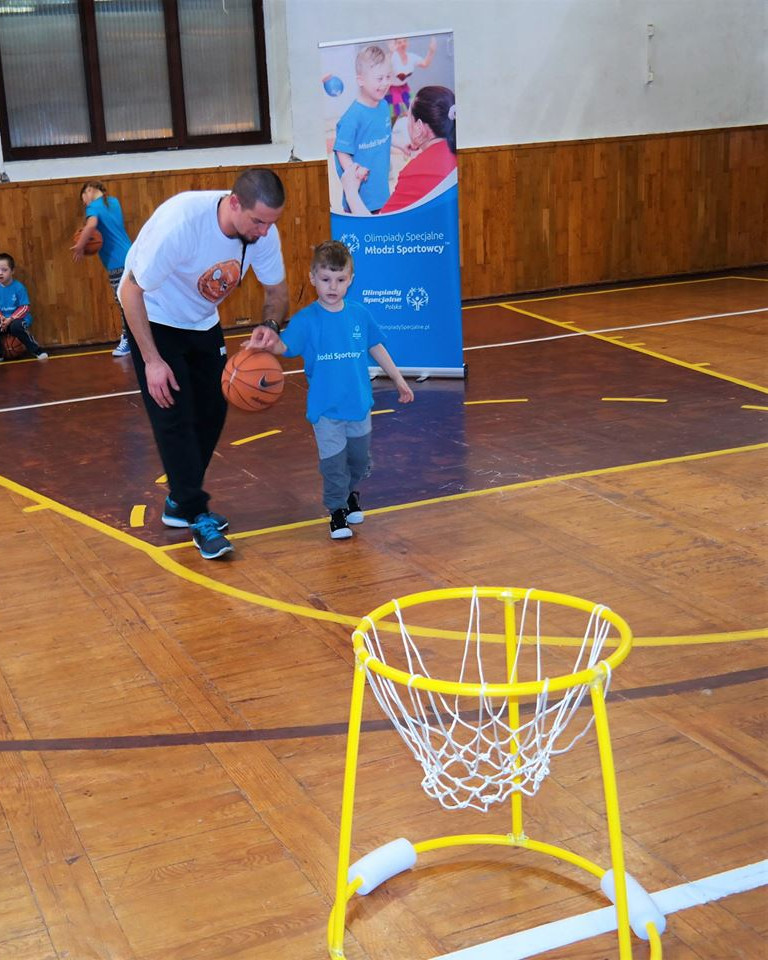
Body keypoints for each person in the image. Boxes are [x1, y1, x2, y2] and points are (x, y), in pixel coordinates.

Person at [117, 168, 288, 560]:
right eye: (258, 221)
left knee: (212, 411)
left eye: (270, 223)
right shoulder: (181, 224)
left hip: (201, 321)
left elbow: (277, 290)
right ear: (233, 204)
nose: (264, 231)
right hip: (153, 316)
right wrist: (152, 361)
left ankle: (180, 500)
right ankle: (197, 513)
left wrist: (269, 324)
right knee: (173, 414)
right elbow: (130, 291)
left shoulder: (262, 231)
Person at [261, 240, 413, 540]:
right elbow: (285, 346)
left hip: (358, 404)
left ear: (351, 280)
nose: (333, 286)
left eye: (340, 280)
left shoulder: (359, 314)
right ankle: (337, 512)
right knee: (333, 464)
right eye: (326, 279)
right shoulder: (307, 319)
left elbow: (376, 346)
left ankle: (350, 494)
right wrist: (269, 341)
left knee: (358, 460)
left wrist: (398, 378)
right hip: (325, 409)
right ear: (312, 278)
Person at [341, 85, 457, 215]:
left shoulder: (416, 173)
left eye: (408, 116)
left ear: (419, 127)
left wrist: (351, 192)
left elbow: (381, 230)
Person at [72, 181, 133, 357]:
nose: (84, 203)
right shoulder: (113, 202)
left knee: (124, 303)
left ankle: (127, 339)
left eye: (83, 198)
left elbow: (91, 225)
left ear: (89, 191)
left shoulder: (93, 208)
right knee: (135, 300)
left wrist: (80, 246)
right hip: (131, 256)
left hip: (116, 264)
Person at [334, 44, 393, 214]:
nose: (385, 83)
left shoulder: (383, 106)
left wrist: (400, 146)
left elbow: (382, 136)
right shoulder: (352, 117)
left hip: (381, 194)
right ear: (361, 80)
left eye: (388, 77)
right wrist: (354, 170)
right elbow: (341, 151)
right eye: (379, 78)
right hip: (359, 199)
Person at [0, 253, 48, 361]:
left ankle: (37, 350)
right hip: (3, 320)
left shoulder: (19, 287)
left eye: (4, 270)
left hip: (18, 319)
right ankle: (1, 354)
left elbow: (25, 307)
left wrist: (11, 319)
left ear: (12, 271)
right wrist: (1, 318)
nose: (0, 273)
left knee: (16, 327)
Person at [385, 36, 437, 124]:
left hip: (404, 89)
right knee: (392, 117)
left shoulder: (411, 57)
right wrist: (390, 53)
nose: (402, 44)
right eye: (399, 42)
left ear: (408, 43)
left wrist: (431, 51)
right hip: (391, 90)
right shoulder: (392, 56)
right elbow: (385, 68)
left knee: (410, 112)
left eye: (404, 41)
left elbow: (425, 64)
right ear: (394, 45)